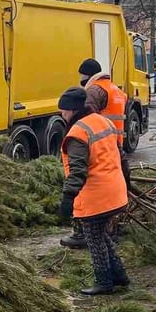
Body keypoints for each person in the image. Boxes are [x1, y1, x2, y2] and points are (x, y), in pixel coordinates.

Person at [57, 85, 130, 296]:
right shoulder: (103, 121)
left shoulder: (77, 133)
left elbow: (78, 171)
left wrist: (67, 198)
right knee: (102, 235)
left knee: (94, 240)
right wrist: (127, 184)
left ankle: (104, 282)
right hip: (114, 192)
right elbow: (121, 157)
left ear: (71, 110)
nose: (61, 114)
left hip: (96, 197)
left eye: (63, 110)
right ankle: (120, 276)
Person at [62, 59, 130, 249]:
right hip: (112, 142)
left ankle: (80, 232)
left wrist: (67, 198)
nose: (81, 80)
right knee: (109, 191)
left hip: (94, 143)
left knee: (91, 191)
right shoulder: (115, 89)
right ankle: (110, 231)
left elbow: (84, 114)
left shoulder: (94, 92)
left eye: (82, 77)